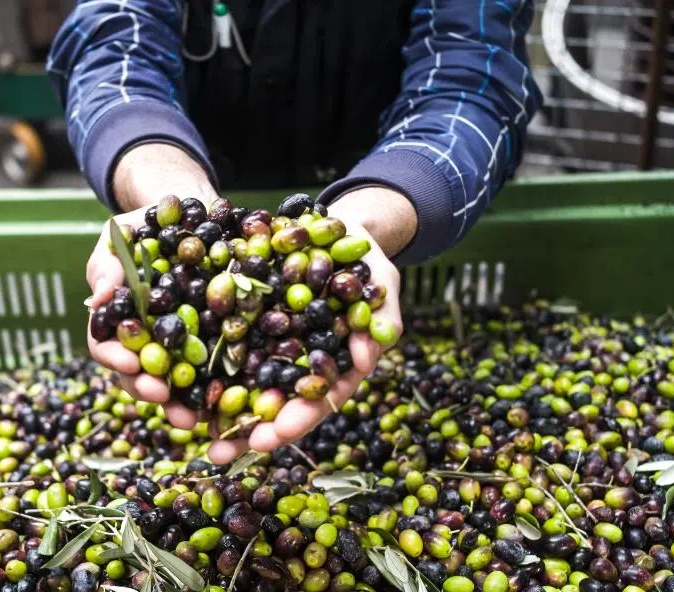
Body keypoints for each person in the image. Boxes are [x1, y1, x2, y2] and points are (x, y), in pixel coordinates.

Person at [48, 1, 541, 463]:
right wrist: (168, 192)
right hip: (204, 177)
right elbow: (113, 48)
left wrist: (373, 213)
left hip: (397, 211)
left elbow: (473, 82)